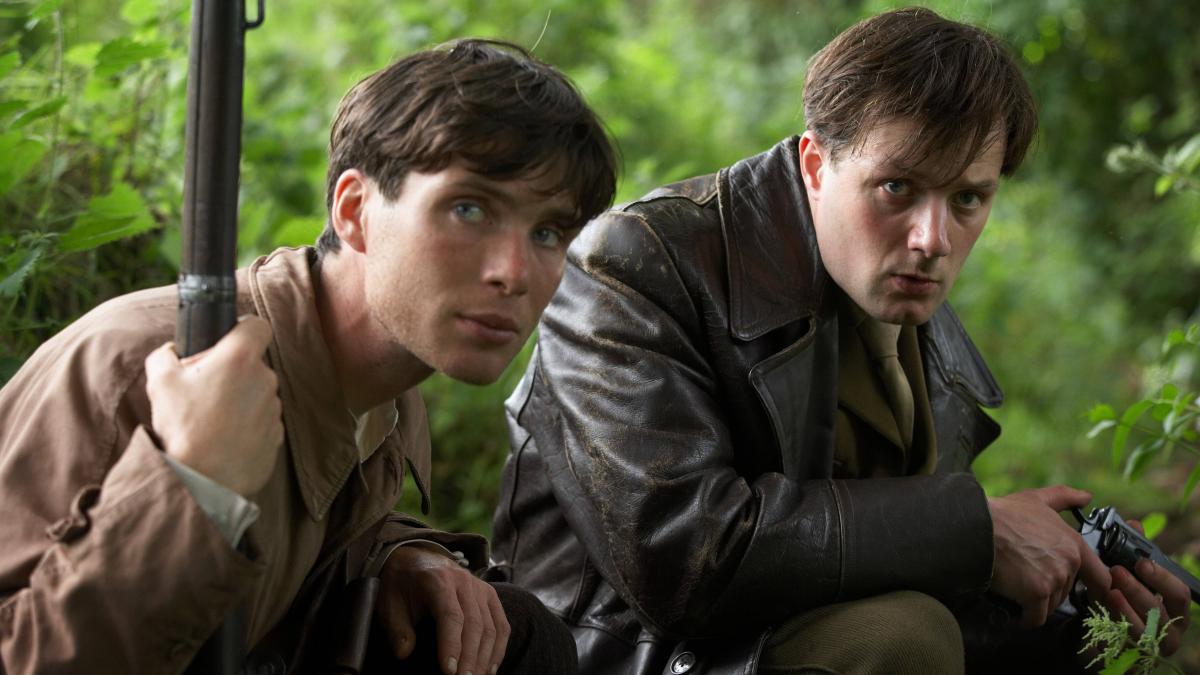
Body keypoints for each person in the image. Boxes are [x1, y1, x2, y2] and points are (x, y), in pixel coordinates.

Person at [490, 8, 1192, 674]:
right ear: (816, 165)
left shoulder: (919, 329)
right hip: (614, 653)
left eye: (968, 199)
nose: (933, 239)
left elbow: (873, 561)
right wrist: (975, 531)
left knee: (1086, 636)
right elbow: (682, 556)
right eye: (896, 187)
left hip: (771, 637)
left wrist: (1069, 580)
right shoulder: (636, 260)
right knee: (901, 639)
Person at [0, 39, 616, 674]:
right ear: (354, 212)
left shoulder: (388, 387)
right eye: (469, 209)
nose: (513, 272)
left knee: (516, 633)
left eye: (547, 232)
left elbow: (301, 524)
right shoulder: (141, 365)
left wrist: (398, 554)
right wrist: (193, 490)